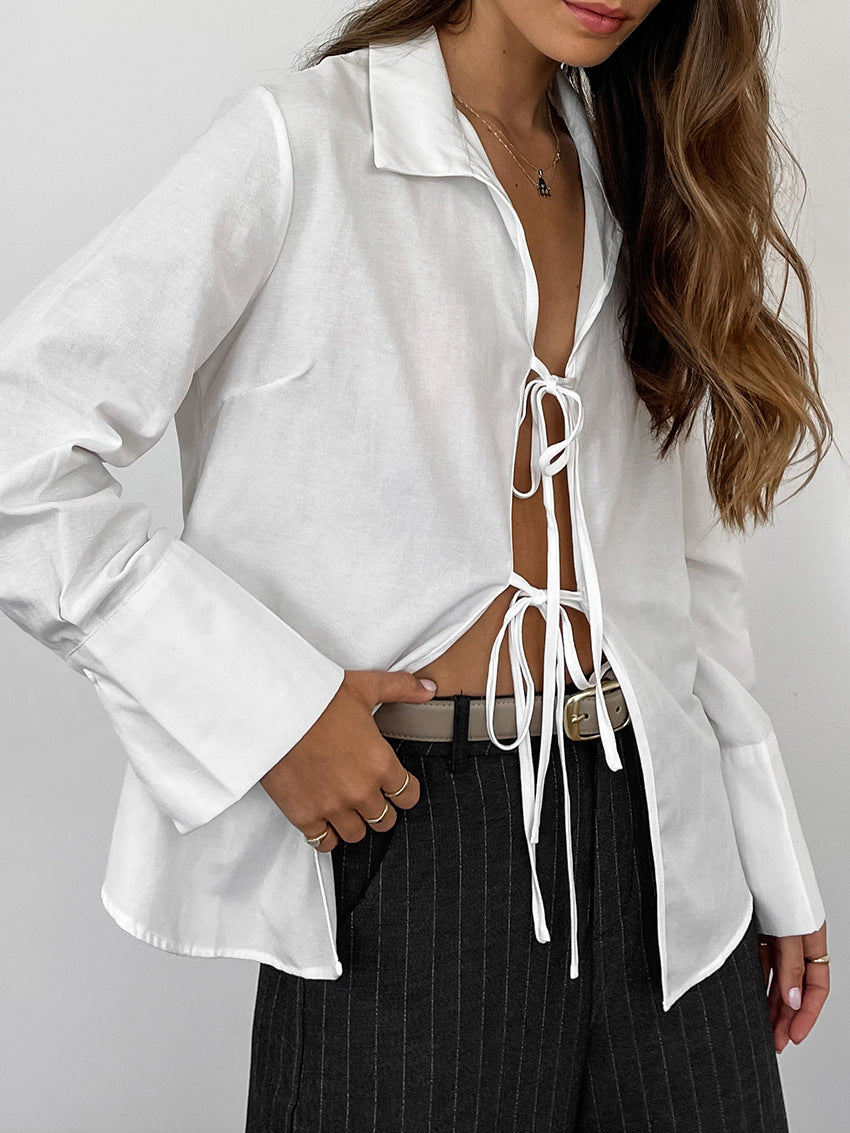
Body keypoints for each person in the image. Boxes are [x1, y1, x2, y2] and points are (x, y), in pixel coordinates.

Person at [0, 0, 834, 1130]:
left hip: (667, 846)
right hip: (414, 834)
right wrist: (271, 714)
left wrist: (767, 855)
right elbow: (20, 449)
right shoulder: (303, 143)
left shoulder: (644, 171)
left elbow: (684, 565)